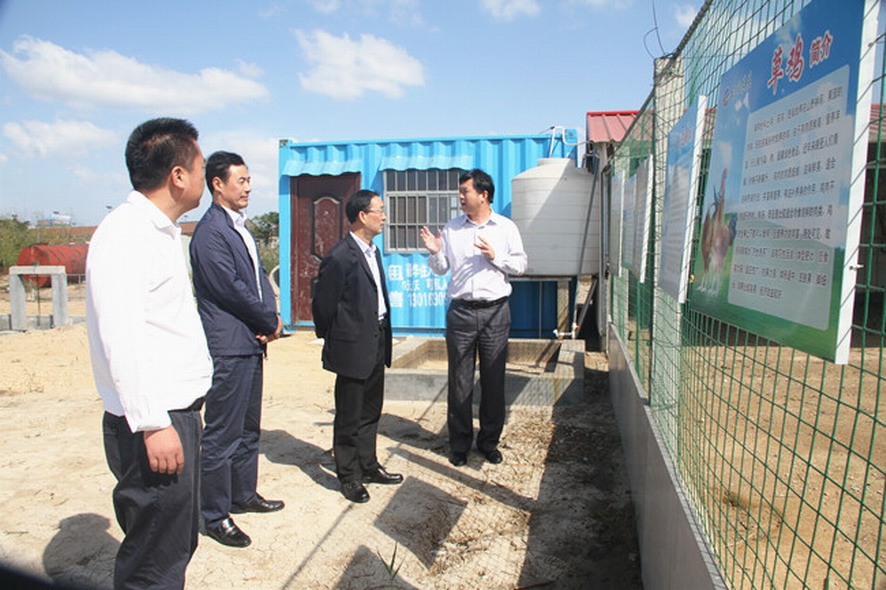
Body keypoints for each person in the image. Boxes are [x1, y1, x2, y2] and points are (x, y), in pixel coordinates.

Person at [86, 117, 213, 590]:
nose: (203, 177)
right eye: (201, 167)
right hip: (155, 422)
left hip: (173, 415)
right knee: (154, 561)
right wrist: (153, 424)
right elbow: (122, 336)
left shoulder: (160, 232)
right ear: (178, 175)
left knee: (173, 544)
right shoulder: (127, 234)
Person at [189, 151, 284, 548]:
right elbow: (231, 289)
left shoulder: (239, 227)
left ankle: (243, 494)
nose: (248, 187)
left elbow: (258, 279)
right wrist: (267, 320)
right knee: (222, 433)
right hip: (229, 346)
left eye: (248, 180)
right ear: (217, 184)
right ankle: (214, 514)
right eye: (241, 180)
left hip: (251, 341)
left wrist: (270, 318)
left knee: (247, 428)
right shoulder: (210, 233)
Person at [420, 169, 527, 467]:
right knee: (460, 382)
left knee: (493, 380)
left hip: (496, 312)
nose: (460, 197)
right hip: (461, 313)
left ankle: (489, 442)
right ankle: (459, 444)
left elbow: (521, 265)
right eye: (460, 192)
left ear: (483, 194)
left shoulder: (505, 228)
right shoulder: (452, 228)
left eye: (465, 191)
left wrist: (496, 257)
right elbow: (441, 268)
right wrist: (435, 253)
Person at [312, 189, 403, 503]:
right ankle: (349, 475)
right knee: (349, 415)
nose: (384, 217)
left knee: (370, 410)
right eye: (380, 210)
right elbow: (323, 307)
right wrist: (338, 339)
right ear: (363, 216)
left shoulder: (372, 251)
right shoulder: (340, 256)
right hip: (352, 345)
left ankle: (368, 464)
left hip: (376, 338)